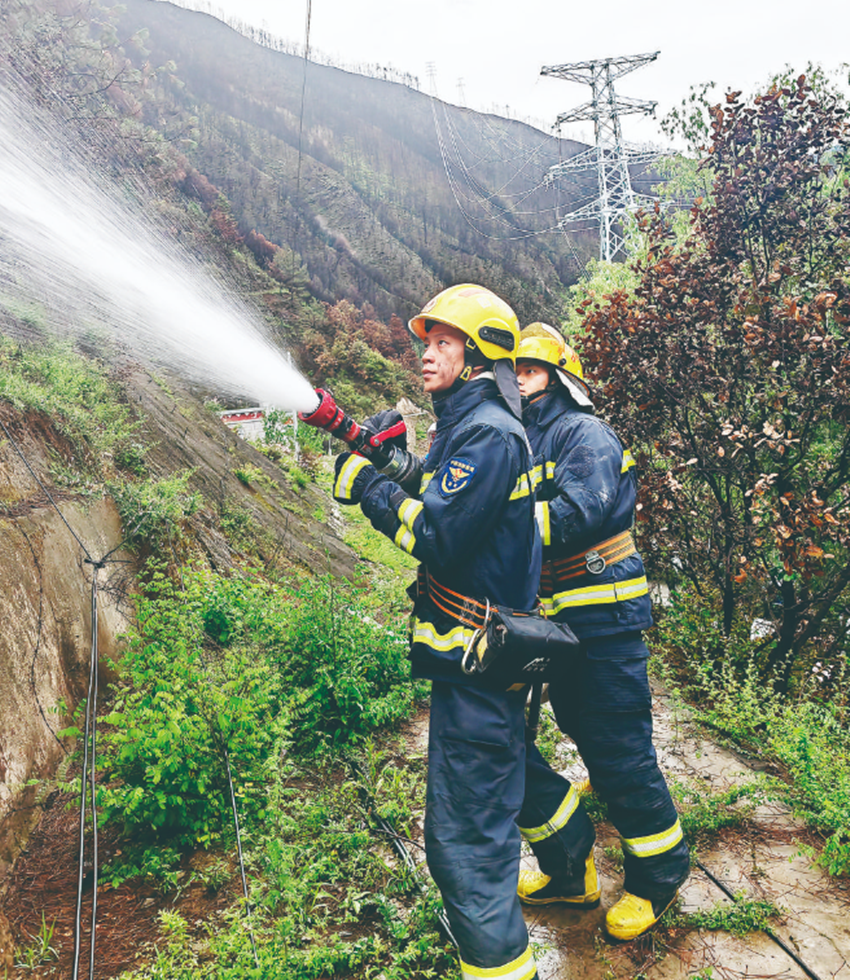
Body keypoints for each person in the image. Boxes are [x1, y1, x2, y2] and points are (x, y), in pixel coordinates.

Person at [331, 284, 542, 980]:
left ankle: (501, 966)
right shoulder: (472, 424)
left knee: (465, 843)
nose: (426, 353)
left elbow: (439, 535)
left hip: (480, 671)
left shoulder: (488, 433)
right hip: (474, 668)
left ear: (477, 356)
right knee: (478, 820)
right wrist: (391, 463)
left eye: (443, 342)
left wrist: (367, 486)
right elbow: (448, 495)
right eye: (427, 342)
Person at [514, 322, 690, 941]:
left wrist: (494, 528)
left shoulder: (582, 433)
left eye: (531, 370)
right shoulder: (527, 439)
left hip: (606, 622)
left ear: (561, 379)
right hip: (562, 623)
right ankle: (576, 869)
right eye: (514, 371)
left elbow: (578, 511)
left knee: (620, 754)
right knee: (582, 729)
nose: (519, 381)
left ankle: (659, 875)